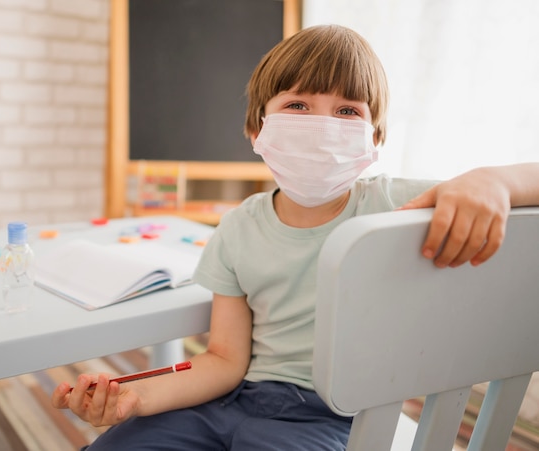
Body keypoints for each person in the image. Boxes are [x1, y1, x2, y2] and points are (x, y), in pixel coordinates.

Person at [52, 25, 539, 450]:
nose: (322, 127)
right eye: (298, 105)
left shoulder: (399, 205)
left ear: (375, 137)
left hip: (337, 413)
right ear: (256, 128)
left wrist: (491, 180)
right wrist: (138, 397)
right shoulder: (238, 226)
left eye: (347, 111)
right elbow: (223, 360)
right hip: (233, 397)